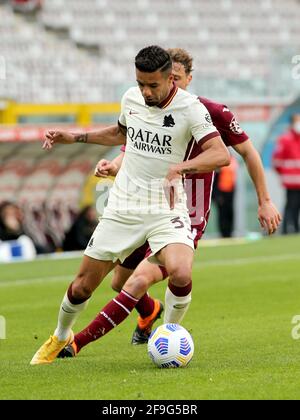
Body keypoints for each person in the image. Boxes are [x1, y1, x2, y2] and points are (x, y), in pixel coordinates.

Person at [57, 48, 282, 358]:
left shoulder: (209, 112)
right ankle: (150, 314)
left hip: (184, 212)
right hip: (141, 205)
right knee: (118, 281)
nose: (161, 88)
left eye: (174, 79)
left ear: (186, 79)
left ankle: (80, 344)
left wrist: (265, 200)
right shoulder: (146, 107)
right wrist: (114, 164)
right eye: (150, 83)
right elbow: (134, 148)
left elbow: (247, 153)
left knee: (142, 280)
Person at [30, 45, 230, 365]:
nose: (146, 91)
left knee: (180, 270)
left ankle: (169, 334)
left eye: (153, 85)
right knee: (83, 287)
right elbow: (120, 133)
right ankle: (61, 335)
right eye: (141, 84)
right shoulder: (131, 98)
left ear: (171, 80)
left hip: (167, 207)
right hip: (123, 206)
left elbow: (222, 155)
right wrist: (75, 137)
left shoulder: (191, 109)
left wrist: (180, 168)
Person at [273, 113, 300, 234]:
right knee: (291, 205)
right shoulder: (285, 139)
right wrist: (285, 175)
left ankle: (295, 228)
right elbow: (277, 161)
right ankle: (286, 230)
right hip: (291, 181)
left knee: (295, 206)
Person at [212, 155, 238, 238]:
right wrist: (217, 195)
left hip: (230, 192)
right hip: (221, 192)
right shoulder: (220, 160)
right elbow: (215, 179)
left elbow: (233, 177)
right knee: (222, 214)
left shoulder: (232, 159)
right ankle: (224, 234)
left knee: (230, 213)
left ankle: (230, 233)